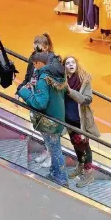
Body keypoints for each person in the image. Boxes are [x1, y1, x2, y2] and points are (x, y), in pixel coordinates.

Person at [17, 52, 68, 187]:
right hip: (57, 117)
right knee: (55, 148)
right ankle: (55, 173)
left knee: (54, 149)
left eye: (34, 64)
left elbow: (40, 103)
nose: (34, 67)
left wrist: (24, 92)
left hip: (48, 121)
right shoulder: (56, 75)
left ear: (39, 63)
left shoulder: (43, 79)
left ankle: (61, 178)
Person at [16, 33, 61, 168]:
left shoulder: (55, 64)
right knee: (42, 129)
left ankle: (54, 158)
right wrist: (19, 89)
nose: (35, 52)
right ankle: (48, 152)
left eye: (38, 49)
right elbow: (27, 77)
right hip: (35, 100)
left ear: (46, 48)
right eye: (34, 49)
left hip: (48, 104)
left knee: (52, 133)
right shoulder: (33, 59)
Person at [63, 56, 101, 188]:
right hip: (68, 118)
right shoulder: (63, 79)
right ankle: (80, 166)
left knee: (85, 147)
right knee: (75, 144)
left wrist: (70, 92)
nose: (71, 65)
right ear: (64, 66)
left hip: (81, 120)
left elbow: (87, 99)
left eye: (73, 62)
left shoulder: (84, 79)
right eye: (68, 63)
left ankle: (89, 174)